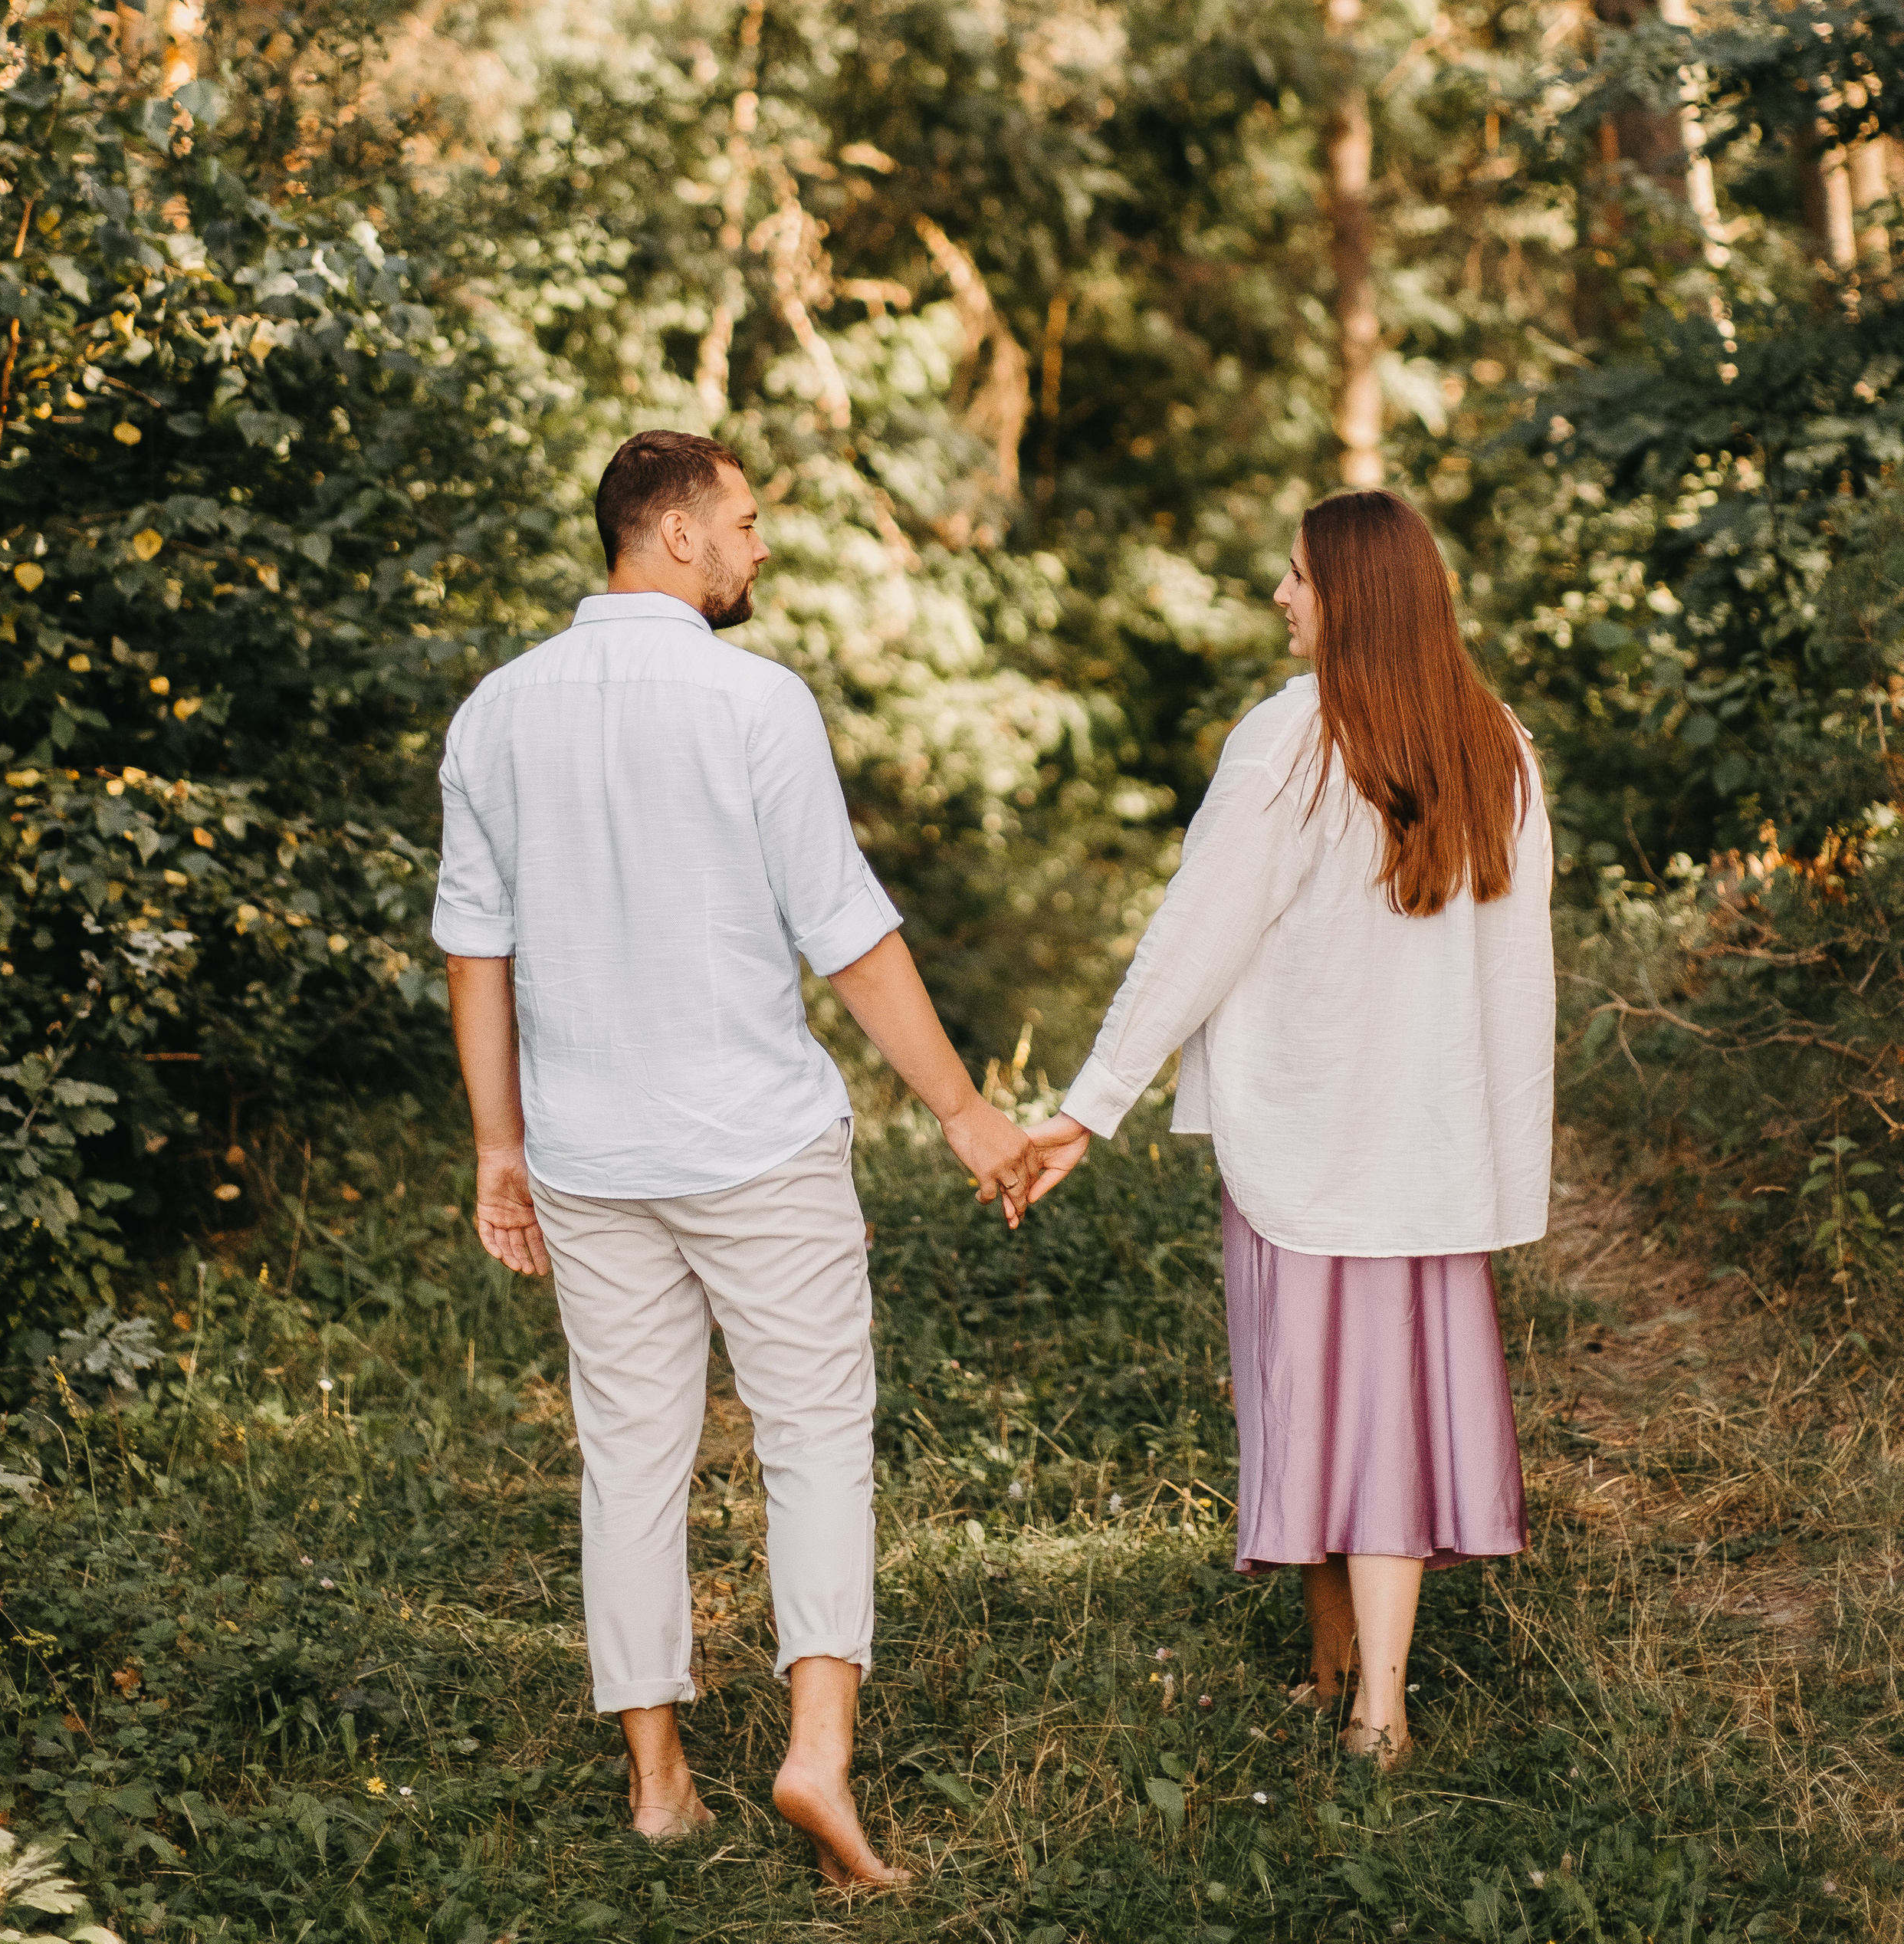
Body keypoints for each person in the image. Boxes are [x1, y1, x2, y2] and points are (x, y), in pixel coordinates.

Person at [433, 429, 1039, 1886]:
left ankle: (660, 1787)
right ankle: (815, 1755)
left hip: (588, 1155)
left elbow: (475, 947)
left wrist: (500, 1147)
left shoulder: (495, 713)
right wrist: (966, 1112)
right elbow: (846, 931)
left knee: (629, 1458)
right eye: (748, 521)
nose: (763, 546)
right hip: (756, 1142)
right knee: (814, 1437)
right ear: (677, 533)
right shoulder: (754, 701)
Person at [1028, 490, 1554, 1767]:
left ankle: (1377, 1709)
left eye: (1299, 577)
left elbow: (1192, 940)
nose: (1280, 595)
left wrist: (1089, 1104)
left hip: (1315, 1142)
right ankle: (1349, 1681)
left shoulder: (1293, 740)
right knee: (1392, 1419)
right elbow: (1519, 967)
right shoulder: (1497, 744)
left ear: (1354, 596)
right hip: (1433, 1148)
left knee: (1325, 1412)